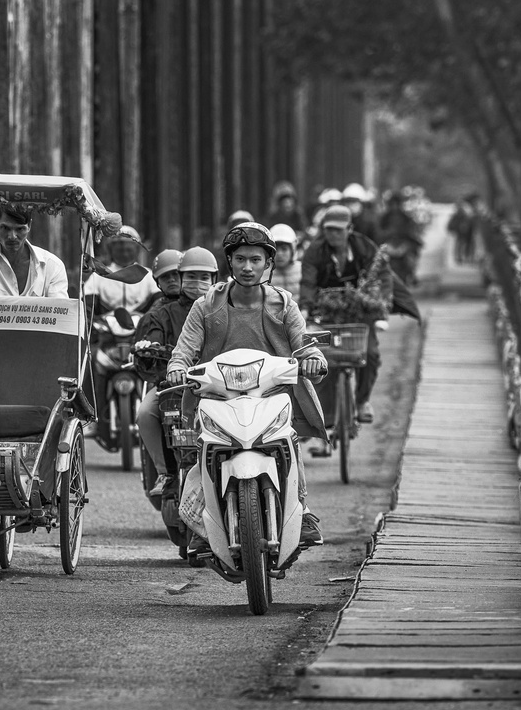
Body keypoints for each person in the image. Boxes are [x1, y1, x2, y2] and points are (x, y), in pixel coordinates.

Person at [167, 225, 327, 547]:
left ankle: (302, 509)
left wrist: (313, 359)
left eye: (256, 259)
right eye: (239, 259)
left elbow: (304, 343)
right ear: (229, 261)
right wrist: (177, 367)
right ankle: (205, 520)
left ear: (269, 262)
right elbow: (184, 349)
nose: (247, 267)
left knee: (288, 443)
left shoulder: (284, 305)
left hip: (271, 397)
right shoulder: (206, 305)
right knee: (206, 449)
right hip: (217, 397)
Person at [135, 247, 217, 498]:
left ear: (215, 279)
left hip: (220, 383)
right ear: (181, 278)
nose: (198, 283)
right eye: (191, 276)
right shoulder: (162, 313)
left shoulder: (226, 307)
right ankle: (165, 471)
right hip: (174, 384)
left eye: (205, 277)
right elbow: (155, 341)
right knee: (145, 413)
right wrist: (149, 347)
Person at [299, 204, 383, 424]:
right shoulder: (315, 251)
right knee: (323, 357)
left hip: (359, 312)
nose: (333, 234)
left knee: (370, 354)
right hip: (325, 312)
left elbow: (378, 278)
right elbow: (308, 282)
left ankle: (363, 400)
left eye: (338, 230)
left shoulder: (365, 248)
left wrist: (376, 304)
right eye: (328, 229)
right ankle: (326, 410)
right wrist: (305, 309)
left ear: (350, 228)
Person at [83, 224, 158, 314]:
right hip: (105, 325)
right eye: (120, 250)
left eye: (129, 249)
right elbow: (87, 301)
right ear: (111, 250)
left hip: (143, 325)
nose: (125, 253)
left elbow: (159, 300)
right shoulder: (100, 275)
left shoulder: (147, 274)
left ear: (137, 250)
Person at [378, 190, 425, 287]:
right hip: (388, 244)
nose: (395, 207)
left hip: (403, 244)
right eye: (392, 204)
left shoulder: (406, 218)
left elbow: (411, 232)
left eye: (397, 204)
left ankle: (412, 274)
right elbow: (378, 232)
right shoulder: (384, 218)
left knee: (411, 258)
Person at [268, 223, 302, 294]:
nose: (279, 254)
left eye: (284, 249)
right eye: (276, 249)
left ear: (292, 250)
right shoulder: (261, 272)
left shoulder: (303, 270)